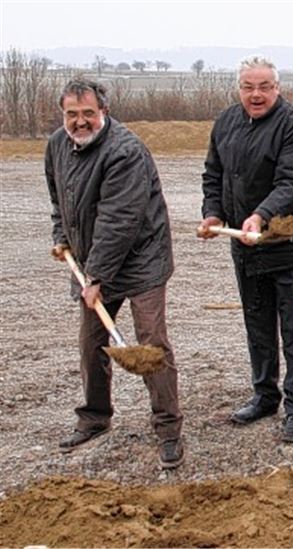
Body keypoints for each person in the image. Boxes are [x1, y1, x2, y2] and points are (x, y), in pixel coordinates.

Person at [46, 78, 184, 469]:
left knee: (150, 342)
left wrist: (96, 278)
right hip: (93, 263)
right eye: (72, 114)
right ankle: (94, 417)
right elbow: (61, 201)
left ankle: (169, 427)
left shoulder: (125, 152)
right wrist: (62, 237)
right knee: (91, 343)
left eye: (88, 113)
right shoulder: (57, 145)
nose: (80, 121)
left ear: (103, 112)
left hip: (141, 260)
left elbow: (119, 220)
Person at [198, 55, 293, 443]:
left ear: (277, 88)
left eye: (264, 87)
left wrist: (260, 214)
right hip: (246, 247)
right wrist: (213, 213)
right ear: (239, 89)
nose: (256, 94)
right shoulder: (226, 123)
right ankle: (265, 395)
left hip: (289, 245)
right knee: (258, 324)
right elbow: (213, 174)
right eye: (248, 87)